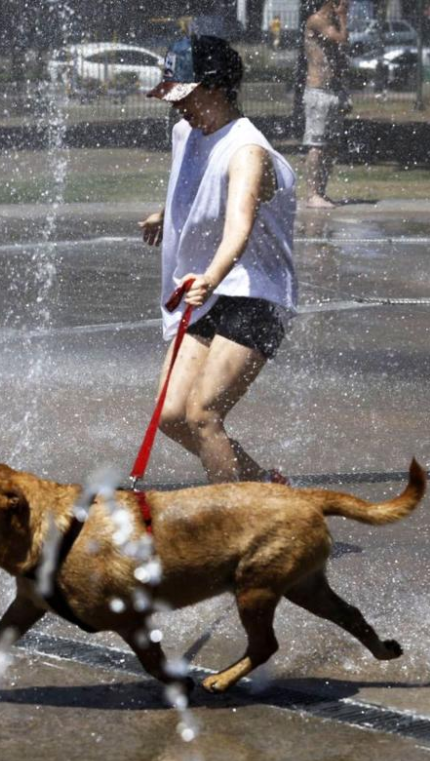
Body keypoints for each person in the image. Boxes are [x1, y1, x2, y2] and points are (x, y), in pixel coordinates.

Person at [139, 35, 297, 485]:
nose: (177, 107)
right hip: (209, 291)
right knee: (171, 415)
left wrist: (211, 276)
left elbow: (239, 227)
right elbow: (201, 188)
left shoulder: (248, 152)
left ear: (215, 88)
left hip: (254, 293)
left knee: (203, 413)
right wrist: (166, 213)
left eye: (184, 96)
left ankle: (231, 524)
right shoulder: (186, 132)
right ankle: (264, 486)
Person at [302, 0, 349, 209]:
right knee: (317, 145)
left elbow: (342, 49)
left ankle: (322, 192)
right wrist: (343, 16)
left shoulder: (334, 23)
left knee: (331, 146)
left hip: (332, 92)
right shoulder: (316, 21)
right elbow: (340, 39)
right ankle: (312, 194)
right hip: (317, 92)